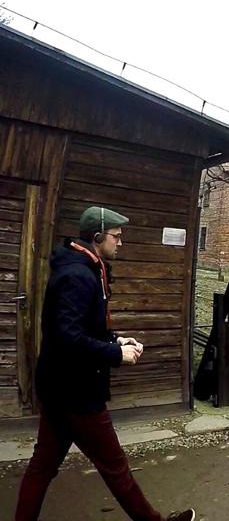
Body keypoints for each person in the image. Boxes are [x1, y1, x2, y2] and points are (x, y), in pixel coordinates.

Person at [16, 207, 195, 521]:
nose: (120, 243)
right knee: (115, 467)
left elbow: (84, 329)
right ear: (97, 237)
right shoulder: (77, 276)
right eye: (116, 236)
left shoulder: (87, 268)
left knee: (43, 466)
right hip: (77, 391)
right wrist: (114, 355)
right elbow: (67, 339)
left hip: (61, 387)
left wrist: (116, 340)